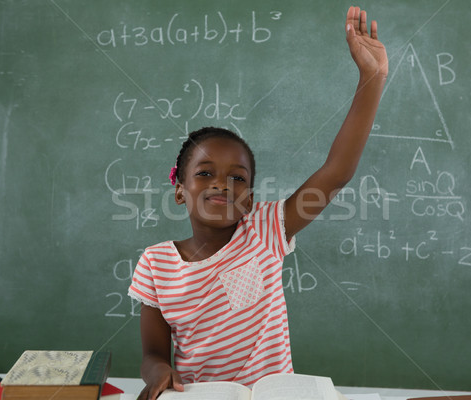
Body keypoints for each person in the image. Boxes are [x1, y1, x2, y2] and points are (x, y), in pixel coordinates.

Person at [128, 5, 388, 400]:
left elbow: (336, 172)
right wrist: (159, 371)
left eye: (237, 178)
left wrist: (372, 78)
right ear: (179, 190)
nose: (222, 185)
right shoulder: (155, 264)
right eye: (204, 173)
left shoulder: (266, 229)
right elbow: (151, 353)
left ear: (249, 199)